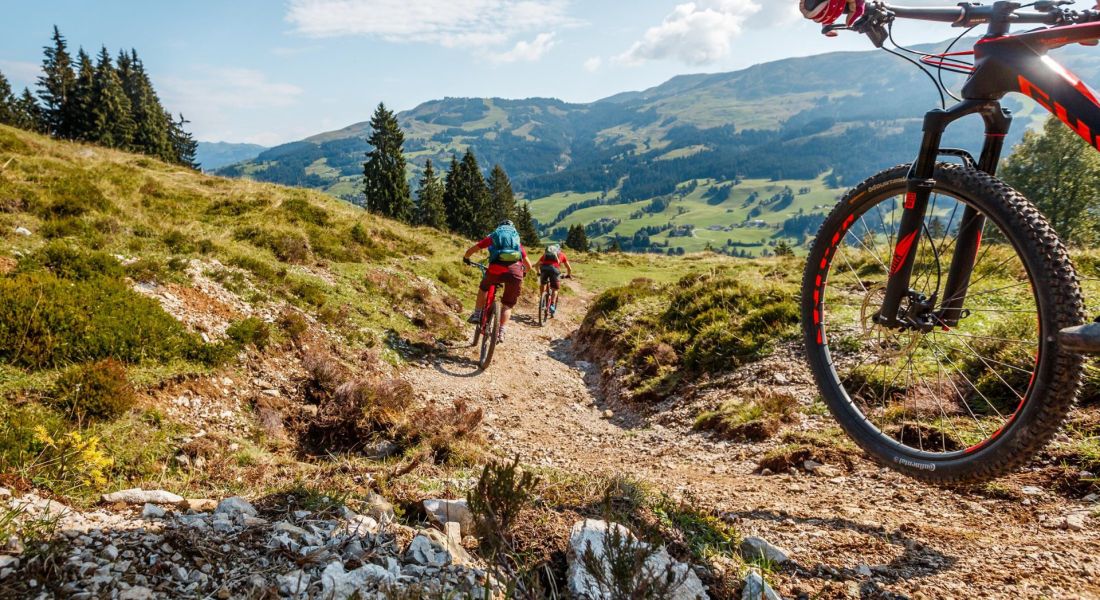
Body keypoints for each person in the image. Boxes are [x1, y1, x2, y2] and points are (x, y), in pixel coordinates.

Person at [463, 220, 534, 343]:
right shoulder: (516, 241)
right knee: (507, 304)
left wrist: (466, 258)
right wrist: (523, 273)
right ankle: (501, 331)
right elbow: (529, 265)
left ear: (499, 228)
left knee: (484, 287)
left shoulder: (494, 236)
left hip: (495, 270)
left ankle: (477, 314)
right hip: (515, 272)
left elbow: (472, 250)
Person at [537, 244, 572, 316]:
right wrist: (568, 275)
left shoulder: (545, 254)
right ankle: (552, 305)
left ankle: (542, 301)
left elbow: (537, 265)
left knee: (543, 284)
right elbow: (569, 268)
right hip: (554, 270)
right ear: (559, 250)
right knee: (555, 289)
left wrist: (538, 273)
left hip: (544, 269)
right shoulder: (562, 254)